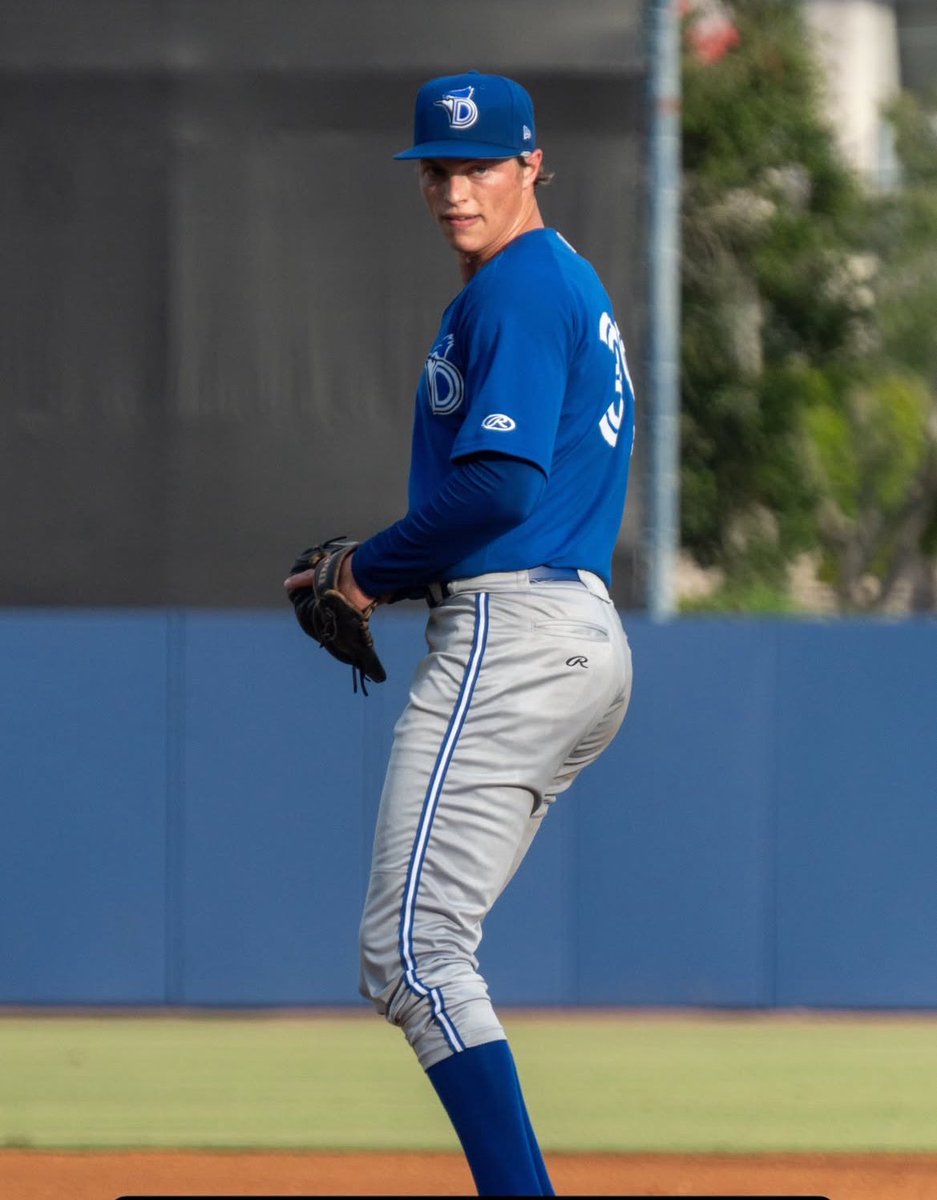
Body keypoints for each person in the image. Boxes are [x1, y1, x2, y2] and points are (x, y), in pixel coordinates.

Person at [287, 70, 635, 1197]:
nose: (454, 190)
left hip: (514, 629)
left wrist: (362, 576)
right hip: (572, 631)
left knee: (412, 953)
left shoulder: (520, 288)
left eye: (480, 165)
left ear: (532, 163)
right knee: (428, 949)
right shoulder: (561, 279)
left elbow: (497, 487)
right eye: (437, 169)